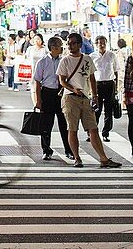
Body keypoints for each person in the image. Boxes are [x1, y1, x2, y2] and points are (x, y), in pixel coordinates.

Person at [58, 33, 121, 169]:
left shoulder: (87, 59)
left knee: (93, 129)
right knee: (72, 129)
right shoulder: (65, 61)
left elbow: (92, 78)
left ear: (80, 45)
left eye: (73, 43)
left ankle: (103, 159)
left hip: (85, 98)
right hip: (70, 98)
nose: (70, 45)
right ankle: (77, 158)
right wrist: (73, 89)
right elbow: (62, 81)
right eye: (69, 43)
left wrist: (95, 96)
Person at [32, 36, 73, 161]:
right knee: (46, 124)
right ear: (53, 47)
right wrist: (38, 100)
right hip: (47, 93)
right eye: (60, 45)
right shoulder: (42, 62)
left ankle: (68, 149)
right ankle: (46, 150)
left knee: (64, 123)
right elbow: (37, 82)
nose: (62, 47)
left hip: (61, 93)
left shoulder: (64, 61)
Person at [92, 35, 118, 141]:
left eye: (103, 43)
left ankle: (106, 132)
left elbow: (116, 70)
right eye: (99, 43)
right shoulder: (92, 56)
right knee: (96, 109)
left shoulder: (112, 55)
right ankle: (93, 132)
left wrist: (116, 87)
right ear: (96, 44)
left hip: (109, 84)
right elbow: (90, 73)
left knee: (108, 110)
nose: (101, 45)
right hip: (97, 84)